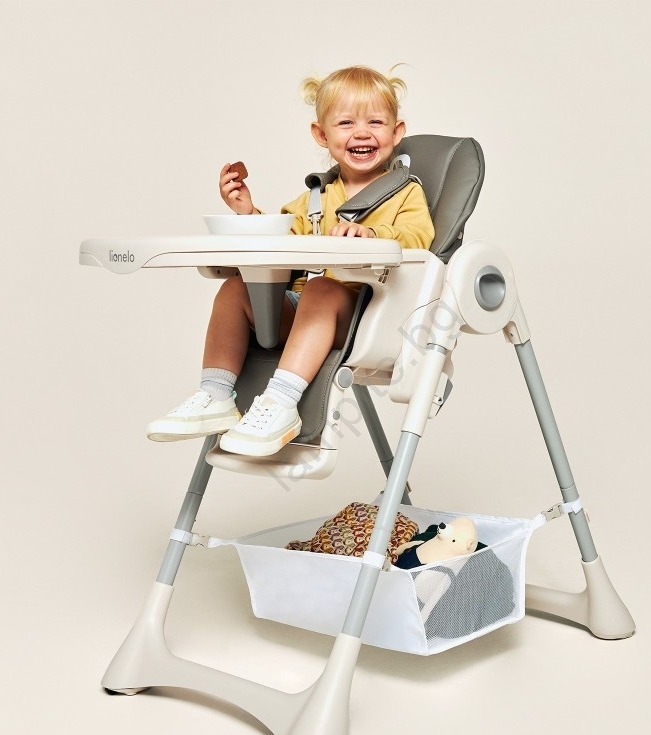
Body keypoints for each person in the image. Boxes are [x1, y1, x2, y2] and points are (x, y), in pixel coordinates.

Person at [147, 65, 435, 456]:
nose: (361, 133)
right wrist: (248, 214)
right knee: (236, 289)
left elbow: (419, 241)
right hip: (303, 315)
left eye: (375, 122)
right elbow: (281, 245)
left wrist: (373, 235)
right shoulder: (314, 199)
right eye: (346, 123)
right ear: (322, 135)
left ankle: (280, 401)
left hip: (364, 318)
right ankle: (216, 394)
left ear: (397, 132)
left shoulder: (405, 193)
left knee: (322, 289)